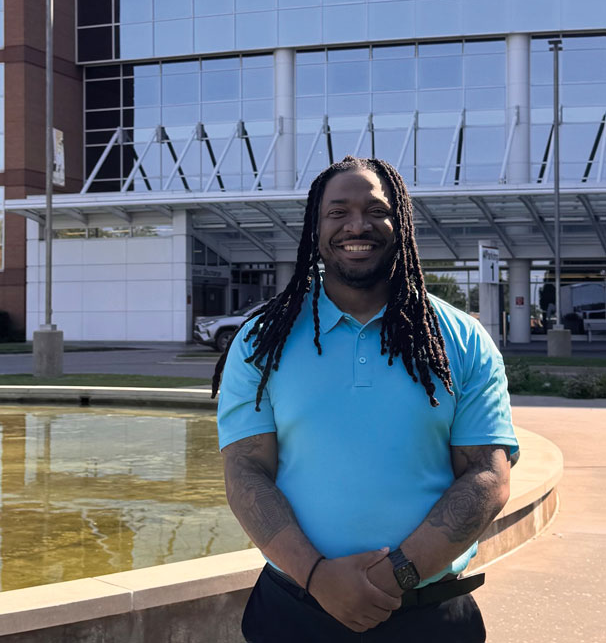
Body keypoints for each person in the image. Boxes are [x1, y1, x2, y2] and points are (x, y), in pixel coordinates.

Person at [213, 156, 518, 642]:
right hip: (294, 611)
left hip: (430, 617)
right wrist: (317, 577)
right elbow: (246, 470)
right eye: (338, 212)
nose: (358, 225)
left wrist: (393, 576)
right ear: (316, 229)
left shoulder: (461, 338)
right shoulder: (260, 340)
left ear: (401, 224)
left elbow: (488, 473)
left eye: (377, 210)